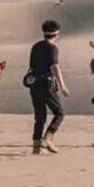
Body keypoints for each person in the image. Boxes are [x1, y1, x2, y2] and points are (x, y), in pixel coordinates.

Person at [28, 20, 69, 155]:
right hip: (46, 84)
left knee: (40, 116)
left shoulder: (36, 46)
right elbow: (55, 67)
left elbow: (32, 66)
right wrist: (62, 86)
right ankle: (47, 139)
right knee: (59, 113)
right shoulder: (52, 48)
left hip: (34, 84)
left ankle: (36, 147)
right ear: (56, 34)